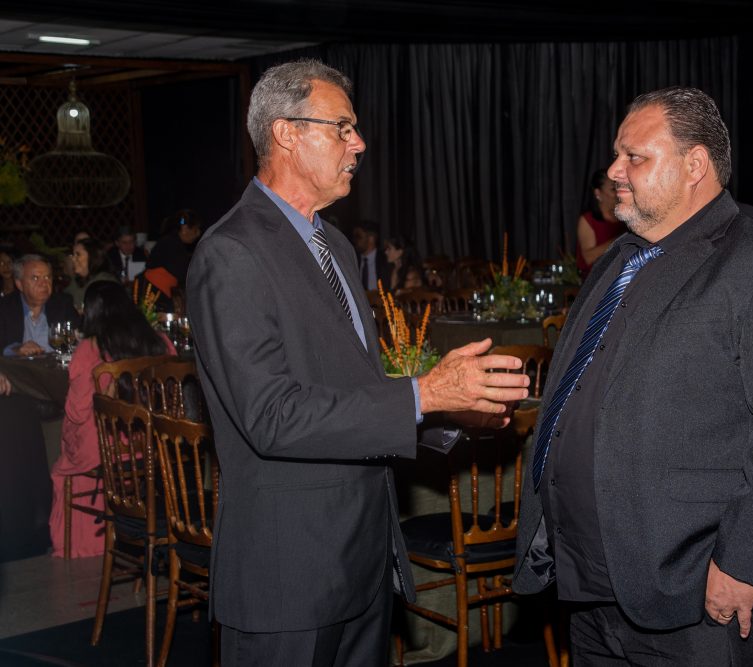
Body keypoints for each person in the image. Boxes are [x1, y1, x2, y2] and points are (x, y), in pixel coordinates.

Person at [186, 58, 530, 666]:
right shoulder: (232, 252)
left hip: (364, 559)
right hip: (290, 574)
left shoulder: (334, 246)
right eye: (342, 128)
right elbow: (272, 417)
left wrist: (444, 412)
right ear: (286, 133)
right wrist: (423, 394)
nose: (359, 143)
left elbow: (351, 391)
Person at [513, 87, 753, 665]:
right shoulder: (620, 258)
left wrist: (744, 564)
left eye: (634, 157)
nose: (615, 171)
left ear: (695, 165)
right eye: (617, 155)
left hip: (688, 590)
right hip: (587, 580)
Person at [48, 281, 176, 558]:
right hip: (154, 445)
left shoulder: (90, 348)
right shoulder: (160, 341)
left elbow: (77, 412)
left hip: (107, 451)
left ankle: (85, 542)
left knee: (70, 440)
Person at [0, 255, 77, 356]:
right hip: (17, 365)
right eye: (35, 278)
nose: (44, 283)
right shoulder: (4, 307)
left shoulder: (63, 304)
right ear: (19, 284)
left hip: (56, 364)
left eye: (47, 277)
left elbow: (80, 338)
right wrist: (15, 349)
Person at [575, 169, 626, 277]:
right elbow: (588, 258)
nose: (618, 193)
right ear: (598, 193)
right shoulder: (588, 220)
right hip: (594, 279)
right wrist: (623, 237)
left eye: (619, 187)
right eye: (613, 189)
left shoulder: (624, 217)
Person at [147, 209, 202, 287]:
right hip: (158, 290)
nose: (198, 234)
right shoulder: (173, 245)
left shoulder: (168, 241)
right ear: (184, 229)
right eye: (196, 230)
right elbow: (183, 276)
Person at [64, 237, 118, 312]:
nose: (73, 259)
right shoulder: (77, 280)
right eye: (73, 255)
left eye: (78, 254)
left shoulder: (105, 282)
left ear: (92, 256)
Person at [353, 220, 391, 290]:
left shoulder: (385, 259)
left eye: (359, 237)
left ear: (371, 238)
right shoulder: (353, 260)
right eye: (355, 237)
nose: (355, 240)